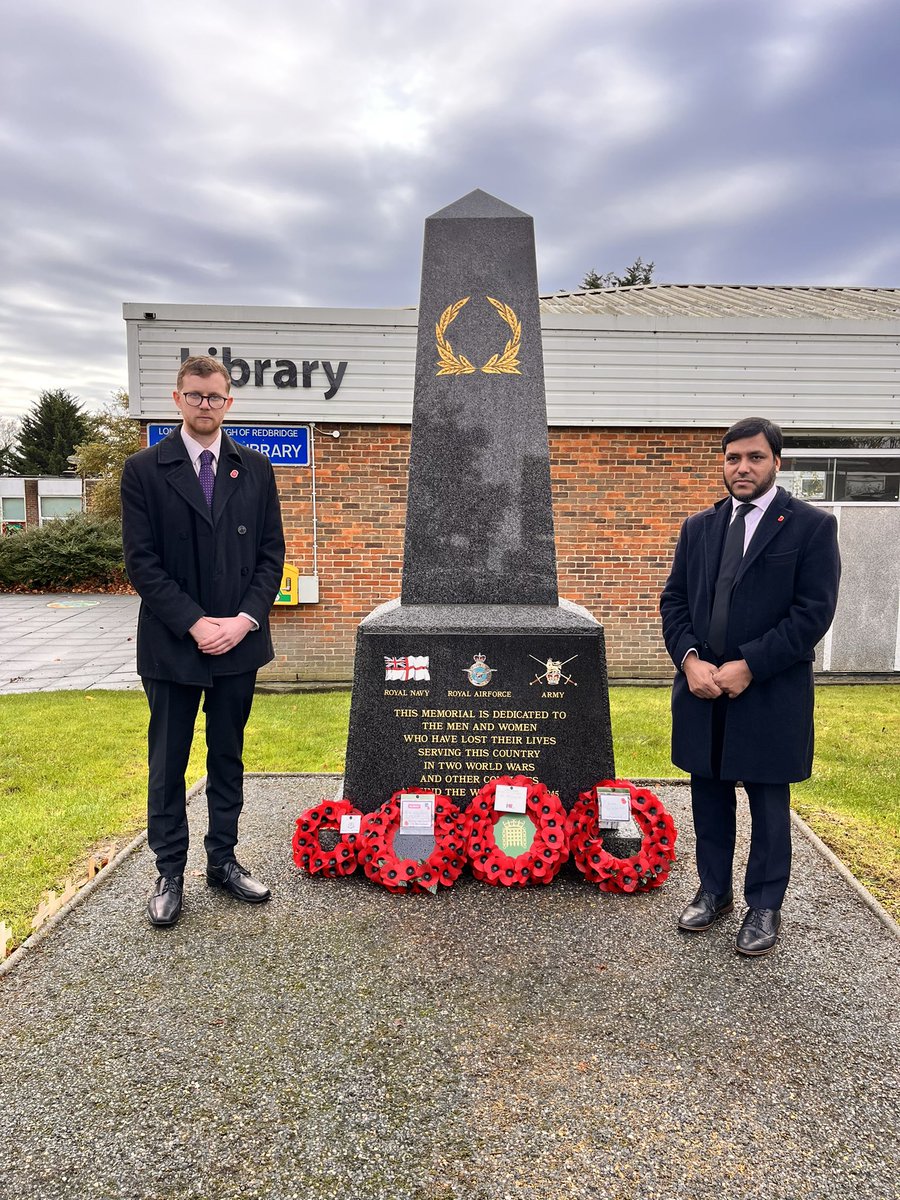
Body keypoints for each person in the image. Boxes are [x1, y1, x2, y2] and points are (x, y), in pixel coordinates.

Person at [660, 416, 840, 956]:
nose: (743, 467)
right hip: (702, 688)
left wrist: (749, 665)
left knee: (766, 801)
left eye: (755, 458)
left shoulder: (810, 526)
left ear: (777, 463)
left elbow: (813, 614)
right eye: (733, 457)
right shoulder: (699, 528)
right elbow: (675, 602)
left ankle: (764, 905)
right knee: (708, 792)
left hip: (768, 692)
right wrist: (690, 659)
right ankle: (713, 891)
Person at [121, 355, 285, 928]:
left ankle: (223, 861)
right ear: (177, 398)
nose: (205, 405)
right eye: (195, 396)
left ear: (229, 402)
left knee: (228, 755)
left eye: (215, 397)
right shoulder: (144, 469)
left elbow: (271, 556)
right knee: (168, 762)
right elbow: (142, 563)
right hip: (173, 641)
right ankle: (169, 871)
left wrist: (243, 619)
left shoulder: (255, 469)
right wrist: (195, 622)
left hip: (238, 640)